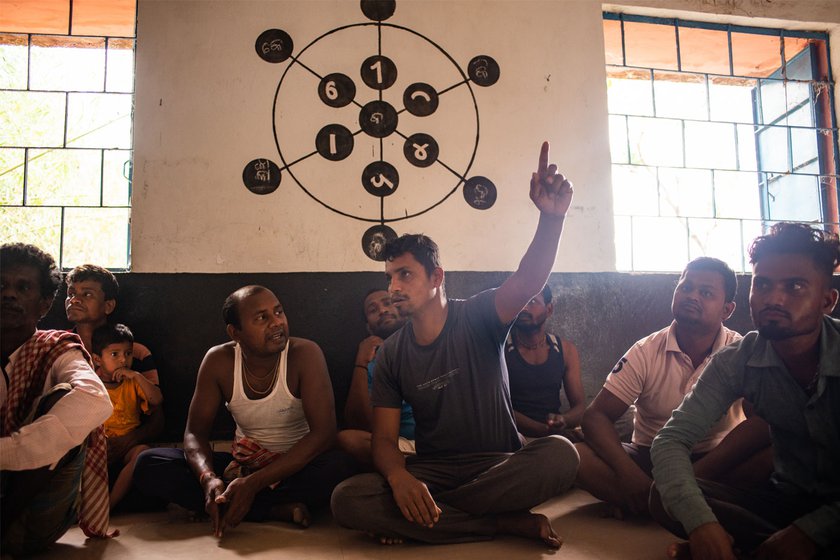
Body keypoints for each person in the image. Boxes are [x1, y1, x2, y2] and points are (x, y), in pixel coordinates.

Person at [331, 142, 580, 547]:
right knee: (348, 500)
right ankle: (501, 523)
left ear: (436, 277)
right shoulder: (392, 354)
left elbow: (528, 279)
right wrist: (400, 479)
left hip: (500, 464)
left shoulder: (480, 314)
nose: (393, 287)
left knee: (562, 454)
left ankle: (436, 516)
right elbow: (383, 441)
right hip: (435, 468)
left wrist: (552, 220)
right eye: (389, 277)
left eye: (405, 275)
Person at [650, 223, 840, 560]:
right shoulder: (736, 360)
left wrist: (810, 532)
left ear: (828, 300)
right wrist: (701, 524)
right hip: (784, 502)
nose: (774, 299)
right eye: (762, 285)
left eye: (795, 286)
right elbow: (670, 441)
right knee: (663, 496)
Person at [133, 285, 357, 537]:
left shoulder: (304, 354)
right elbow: (195, 433)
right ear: (235, 332)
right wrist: (208, 479)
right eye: (262, 317)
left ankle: (238, 503)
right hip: (243, 465)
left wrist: (254, 484)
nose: (277, 323)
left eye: (279, 312)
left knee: (339, 466)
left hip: (298, 466)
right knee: (149, 464)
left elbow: (324, 434)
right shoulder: (219, 360)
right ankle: (272, 508)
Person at [575, 257, 771, 518]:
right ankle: (674, 504)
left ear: (727, 309)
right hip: (650, 459)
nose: (692, 296)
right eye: (685, 287)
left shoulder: (740, 352)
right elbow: (595, 417)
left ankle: (654, 505)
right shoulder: (645, 351)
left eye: (706, 292)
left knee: (776, 454)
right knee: (575, 455)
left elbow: (761, 421)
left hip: (716, 461)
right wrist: (631, 476)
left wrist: (692, 477)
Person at [1, 243, 114, 556]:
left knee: (67, 399)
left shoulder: (56, 349)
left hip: (32, 513)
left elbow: (95, 400)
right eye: (1, 285)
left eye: (22, 287)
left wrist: (8, 452)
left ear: (44, 303)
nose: (9, 294)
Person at [65, 264, 164, 464]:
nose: (74, 299)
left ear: (108, 306)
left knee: (145, 460)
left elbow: (157, 419)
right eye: (71, 293)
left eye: (87, 295)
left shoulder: (135, 354)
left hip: (122, 447)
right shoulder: (60, 351)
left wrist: (128, 440)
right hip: (75, 450)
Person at [91, 323, 162, 509]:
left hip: (128, 446)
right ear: (97, 359)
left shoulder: (133, 383)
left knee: (142, 453)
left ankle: (109, 505)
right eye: (115, 354)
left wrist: (138, 376)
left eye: (128, 353)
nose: (123, 360)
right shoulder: (93, 385)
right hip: (101, 447)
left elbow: (156, 400)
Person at [339, 289, 414, 466]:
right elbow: (360, 424)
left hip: (443, 440)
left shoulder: (427, 341)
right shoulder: (372, 363)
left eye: (387, 303)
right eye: (373, 310)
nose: (382, 310)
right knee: (348, 439)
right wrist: (361, 363)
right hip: (401, 446)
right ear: (368, 327)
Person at [506, 284, 585, 440]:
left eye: (531, 302)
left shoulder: (566, 350)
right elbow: (498, 408)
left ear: (549, 309)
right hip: (514, 436)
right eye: (520, 302)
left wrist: (564, 420)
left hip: (553, 437)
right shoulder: (501, 350)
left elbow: (580, 408)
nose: (523, 308)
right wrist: (543, 431)